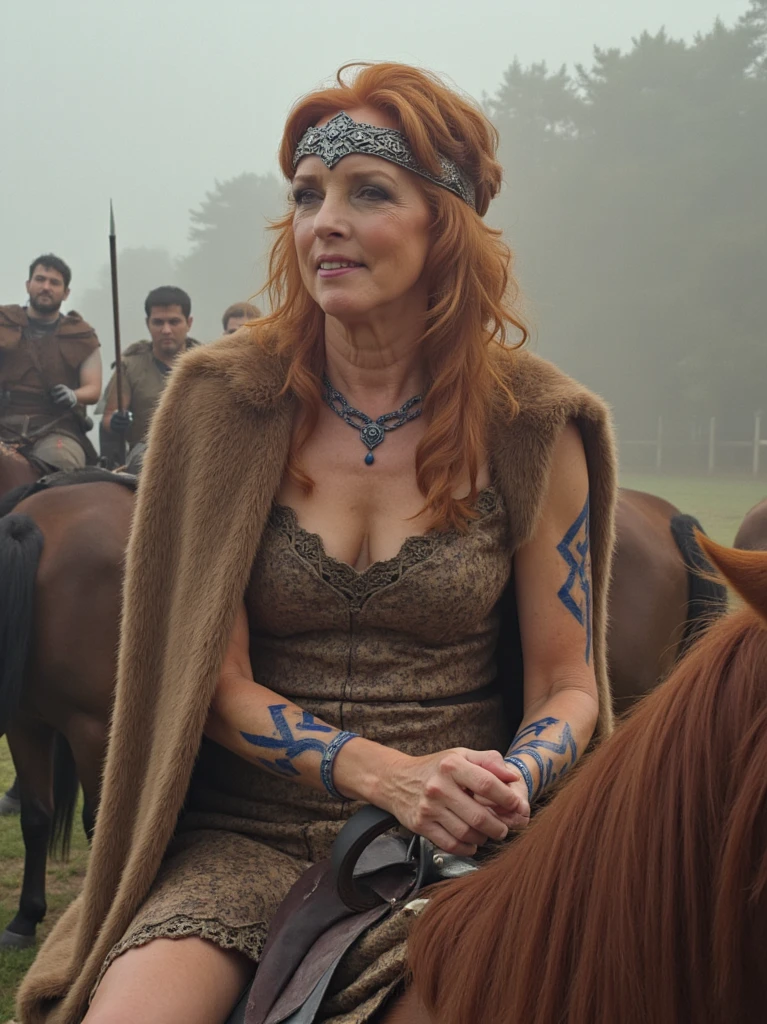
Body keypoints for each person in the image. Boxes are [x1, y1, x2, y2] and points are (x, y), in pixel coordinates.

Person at [18, 63, 618, 1024]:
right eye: (306, 195)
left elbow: (568, 684)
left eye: (366, 193)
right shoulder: (221, 403)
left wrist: (507, 781)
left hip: (454, 850)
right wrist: (390, 775)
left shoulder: (534, 423)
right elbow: (207, 682)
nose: (321, 222)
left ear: (445, 224)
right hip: (242, 835)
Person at [0, 254, 102, 469]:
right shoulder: (3, 323)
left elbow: (93, 389)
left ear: (66, 293)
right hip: (4, 422)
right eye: (40, 279)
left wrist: (73, 395)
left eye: (54, 282)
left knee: (62, 464)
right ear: (28, 285)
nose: (46, 287)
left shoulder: (81, 335)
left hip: (56, 428)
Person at [101, 285, 199, 469]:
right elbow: (108, 417)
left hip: (198, 454)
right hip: (146, 456)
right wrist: (116, 421)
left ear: (189, 323)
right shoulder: (129, 367)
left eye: (174, 322)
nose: (166, 330)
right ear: (148, 323)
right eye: (158, 322)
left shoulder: (207, 366)